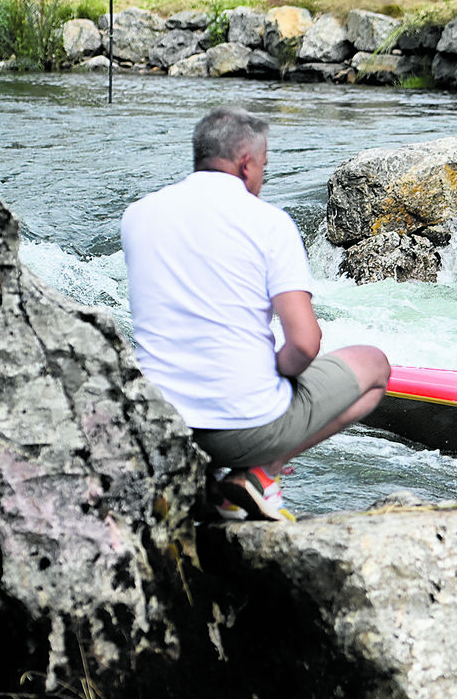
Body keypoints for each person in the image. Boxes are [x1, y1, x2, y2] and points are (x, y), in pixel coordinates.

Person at [121, 106, 391, 521]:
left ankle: (209, 483)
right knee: (374, 366)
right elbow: (304, 343)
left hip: (157, 418)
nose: (262, 177)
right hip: (238, 431)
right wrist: (275, 372)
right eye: (264, 166)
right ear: (246, 164)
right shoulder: (269, 223)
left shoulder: (138, 214)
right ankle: (261, 475)